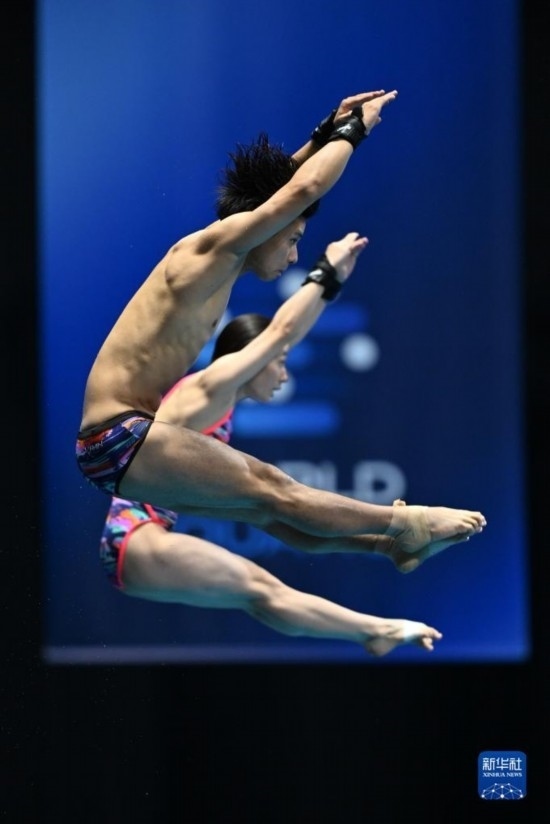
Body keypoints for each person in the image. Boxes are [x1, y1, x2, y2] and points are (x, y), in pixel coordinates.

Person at [76, 87, 486, 594]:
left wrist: (322, 135)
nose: (292, 255)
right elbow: (302, 190)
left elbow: (284, 193)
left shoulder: (218, 255)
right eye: (293, 239)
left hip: (112, 445)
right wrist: (355, 130)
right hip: (119, 434)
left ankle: (388, 545)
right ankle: (407, 523)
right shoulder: (210, 250)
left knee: (267, 510)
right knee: (275, 488)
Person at [100, 233, 444, 655]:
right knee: (263, 587)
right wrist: (328, 274)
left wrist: (379, 543)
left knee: (269, 559)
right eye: (278, 362)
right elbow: (282, 331)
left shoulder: (218, 406)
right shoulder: (209, 388)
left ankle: (382, 592)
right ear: (252, 358)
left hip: (139, 540)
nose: (283, 374)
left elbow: (292, 529)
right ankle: (377, 629)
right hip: (135, 535)